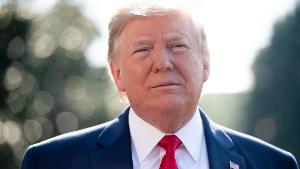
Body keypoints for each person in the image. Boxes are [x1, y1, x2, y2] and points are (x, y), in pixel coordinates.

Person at [20, 2, 298, 169]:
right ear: (117, 73)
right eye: (142, 50)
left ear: (205, 63)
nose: (162, 62)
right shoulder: (50, 163)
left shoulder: (273, 164)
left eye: (177, 45)